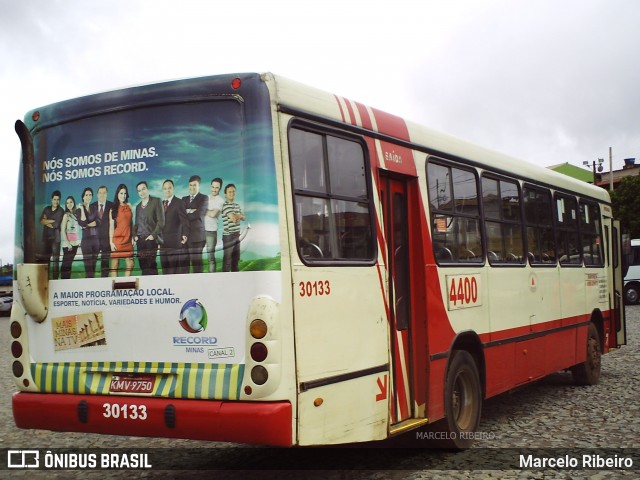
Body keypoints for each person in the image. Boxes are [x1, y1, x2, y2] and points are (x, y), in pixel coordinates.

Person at [133, 181, 164, 275]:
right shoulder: (138, 207)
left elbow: (161, 221)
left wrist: (153, 236)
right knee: (143, 266)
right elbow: (137, 224)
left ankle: (154, 286)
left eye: (143, 189)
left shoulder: (156, 201)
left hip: (150, 240)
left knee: (151, 265)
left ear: (147, 189)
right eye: (139, 191)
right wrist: (135, 236)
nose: (141, 192)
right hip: (140, 240)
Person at [161, 179, 189, 274]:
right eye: (165, 188)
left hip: (174, 243)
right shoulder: (160, 204)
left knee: (173, 272)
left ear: (173, 189)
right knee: (165, 271)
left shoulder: (179, 202)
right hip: (162, 244)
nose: (167, 190)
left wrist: (185, 234)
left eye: (169, 188)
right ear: (162, 190)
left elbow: (185, 220)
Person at [182, 175, 208, 273]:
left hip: (197, 237)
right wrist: (191, 211)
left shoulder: (204, 198)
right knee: (184, 265)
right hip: (185, 237)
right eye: (190, 185)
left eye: (194, 185)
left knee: (196, 265)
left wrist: (187, 212)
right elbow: (181, 215)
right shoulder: (184, 199)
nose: (192, 187)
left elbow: (198, 214)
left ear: (199, 186)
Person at [109, 184, 134, 277]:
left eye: (125, 193)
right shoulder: (113, 209)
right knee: (114, 265)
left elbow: (131, 223)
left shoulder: (129, 206)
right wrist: (111, 243)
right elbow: (111, 227)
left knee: (130, 264)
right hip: (117, 240)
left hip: (128, 240)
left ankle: (125, 283)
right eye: (121, 193)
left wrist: (132, 237)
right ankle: (114, 287)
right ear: (117, 194)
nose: (123, 195)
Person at [40, 190, 64, 279]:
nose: (56, 201)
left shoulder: (61, 210)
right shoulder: (46, 209)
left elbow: (56, 224)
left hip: (56, 239)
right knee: (45, 260)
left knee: (55, 261)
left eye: (58, 200)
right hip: (46, 238)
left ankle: (55, 279)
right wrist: (51, 221)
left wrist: (47, 221)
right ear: (51, 199)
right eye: (54, 199)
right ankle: (45, 278)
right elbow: (41, 221)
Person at [222, 183, 246, 272]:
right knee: (227, 261)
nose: (232, 193)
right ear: (225, 194)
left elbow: (244, 217)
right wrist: (238, 216)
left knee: (236, 261)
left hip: (237, 235)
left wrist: (237, 216)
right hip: (228, 236)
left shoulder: (237, 205)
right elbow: (233, 218)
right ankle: (224, 281)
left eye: (233, 191)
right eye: (229, 192)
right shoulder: (225, 206)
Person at [76, 187, 100, 278]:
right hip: (86, 241)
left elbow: (98, 221)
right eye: (86, 195)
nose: (88, 197)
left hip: (95, 240)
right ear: (83, 197)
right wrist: (82, 209)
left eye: (90, 195)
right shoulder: (78, 210)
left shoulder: (94, 208)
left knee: (93, 265)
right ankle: (89, 285)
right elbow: (82, 222)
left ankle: (93, 285)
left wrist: (87, 225)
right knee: (88, 266)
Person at [92, 186, 114, 277]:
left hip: (106, 239)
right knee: (92, 262)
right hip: (94, 239)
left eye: (104, 192)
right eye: (100, 192)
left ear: (107, 194)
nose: (102, 194)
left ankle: (104, 282)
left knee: (105, 263)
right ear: (97, 194)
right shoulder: (92, 206)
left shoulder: (111, 205)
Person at [205, 177, 224, 272]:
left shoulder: (220, 200)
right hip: (200, 230)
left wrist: (203, 210)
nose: (214, 189)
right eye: (213, 187)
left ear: (220, 188)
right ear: (210, 186)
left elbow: (213, 214)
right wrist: (209, 210)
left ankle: (212, 279)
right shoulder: (205, 198)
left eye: (217, 188)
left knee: (210, 258)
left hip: (211, 232)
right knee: (196, 256)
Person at [60, 196, 81, 279]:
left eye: (71, 202)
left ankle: (67, 280)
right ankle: (63, 281)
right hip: (68, 244)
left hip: (75, 243)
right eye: (67, 203)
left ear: (74, 203)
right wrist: (68, 243)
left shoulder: (75, 215)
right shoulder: (66, 215)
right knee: (66, 264)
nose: (69, 204)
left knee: (70, 264)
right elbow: (62, 230)